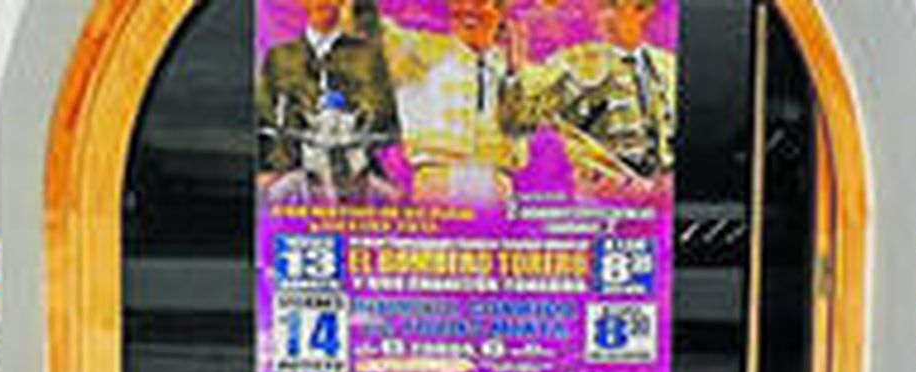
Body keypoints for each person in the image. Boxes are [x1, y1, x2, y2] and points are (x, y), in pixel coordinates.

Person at [359, 0, 531, 202]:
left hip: (497, 187)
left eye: (479, 2)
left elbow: (520, 135)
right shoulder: (418, 52)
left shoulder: (514, 66)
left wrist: (514, 74)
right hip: (437, 183)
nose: (467, 8)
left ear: (501, 12)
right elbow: (367, 24)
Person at [503, 0, 675, 196]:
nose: (602, 16)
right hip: (604, 197)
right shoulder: (576, 60)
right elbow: (518, 121)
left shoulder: (668, 65)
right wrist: (515, 71)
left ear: (643, 10)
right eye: (600, 7)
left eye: (613, 6)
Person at [258, 0, 400, 205]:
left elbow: (384, 113)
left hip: (356, 169)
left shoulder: (369, 56)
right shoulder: (280, 57)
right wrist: (276, 166)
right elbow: (266, 117)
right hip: (295, 170)